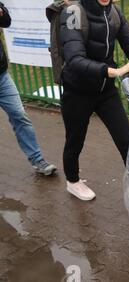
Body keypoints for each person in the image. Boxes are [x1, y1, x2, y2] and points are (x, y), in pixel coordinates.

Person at [59, 0, 129, 201]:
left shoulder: (114, 12)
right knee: (75, 140)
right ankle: (73, 181)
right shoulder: (73, 13)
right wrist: (115, 71)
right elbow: (74, 59)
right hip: (78, 91)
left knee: (126, 140)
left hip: (106, 91)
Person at [0, 2, 57, 176]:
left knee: (19, 115)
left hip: (1, 76)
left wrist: (1, 12)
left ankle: (37, 159)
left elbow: (6, 22)